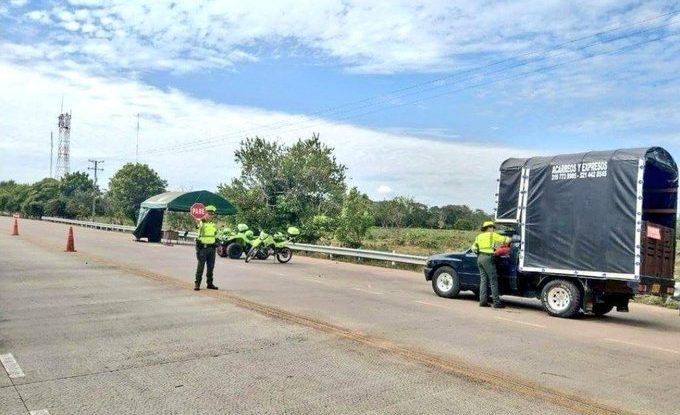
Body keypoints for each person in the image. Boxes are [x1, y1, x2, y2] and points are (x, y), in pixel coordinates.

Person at [472, 221, 510, 308]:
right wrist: (510, 240)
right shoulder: (492, 235)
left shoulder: (479, 236)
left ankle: (483, 301)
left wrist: (480, 252)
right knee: (493, 280)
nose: (493, 229)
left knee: (483, 280)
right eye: (492, 227)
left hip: (480, 258)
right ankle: (496, 302)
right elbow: (506, 240)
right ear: (489, 228)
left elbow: (473, 247)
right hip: (488, 258)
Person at [195, 205, 219, 291]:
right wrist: (198, 222)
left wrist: (217, 242)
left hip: (212, 249)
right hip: (203, 248)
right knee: (200, 267)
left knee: (211, 267)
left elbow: (216, 235)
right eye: (209, 214)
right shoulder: (201, 222)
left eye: (212, 214)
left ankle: (210, 284)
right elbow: (197, 227)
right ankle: (197, 284)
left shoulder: (213, 224)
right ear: (205, 214)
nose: (211, 216)